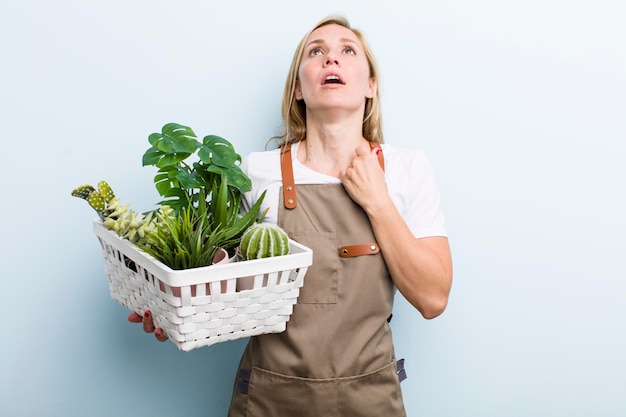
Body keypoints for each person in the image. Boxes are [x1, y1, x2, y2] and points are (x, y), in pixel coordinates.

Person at [130, 15, 453, 416]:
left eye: (347, 51)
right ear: (298, 87)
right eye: (316, 52)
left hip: (370, 399)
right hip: (269, 398)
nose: (331, 59)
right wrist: (171, 308)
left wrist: (378, 201)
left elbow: (433, 297)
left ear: (371, 85)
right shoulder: (255, 172)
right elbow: (215, 280)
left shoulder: (408, 169)